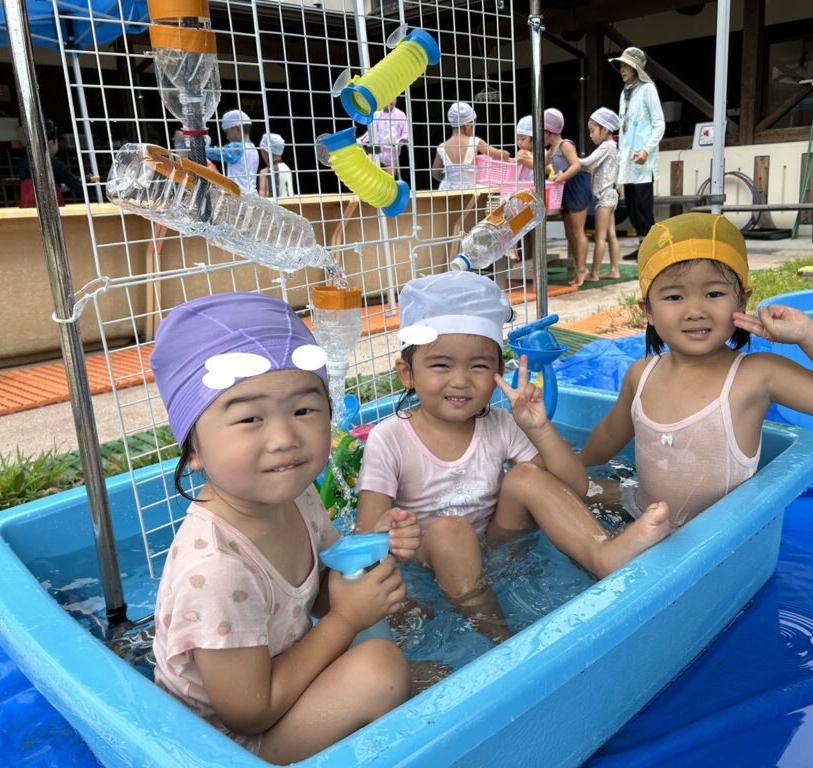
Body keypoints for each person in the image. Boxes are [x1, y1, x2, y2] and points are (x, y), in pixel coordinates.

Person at [148, 292, 418, 763]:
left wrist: (373, 549)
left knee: (392, 644)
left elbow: (326, 592)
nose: (284, 438)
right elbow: (249, 714)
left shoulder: (298, 496)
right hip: (226, 748)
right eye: (250, 418)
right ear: (193, 449)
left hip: (277, 687)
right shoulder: (216, 570)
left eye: (303, 410)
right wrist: (346, 620)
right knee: (379, 670)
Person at [355, 271, 671, 643]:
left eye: (478, 366)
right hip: (431, 560)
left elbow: (576, 485)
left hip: (498, 545)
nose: (461, 380)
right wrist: (390, 532)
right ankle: (498, 636)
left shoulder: (501, 423)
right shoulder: (389, 438)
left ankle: (601, 553)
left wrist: (539, 428)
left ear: (497, 373)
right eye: (441, 365)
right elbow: (365, 536)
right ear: (407, 373)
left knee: (525, 476)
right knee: (451, 531)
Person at [580, 213, 813, 528]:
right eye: (674, 296)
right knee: (562, 486)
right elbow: (608, 435)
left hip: (714, 542)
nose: (695, 311)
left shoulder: (757, 375)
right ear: (648, 311)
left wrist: (809, 334)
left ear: (743, 299)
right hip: (640, 515)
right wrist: (579, 466)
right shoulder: (641, 375)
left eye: (714, 294)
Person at [609, 46, 666, 260]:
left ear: (635, 68)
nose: (622, 70)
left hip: (642, 158)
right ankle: (644, 246)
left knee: (643, 205)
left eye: (626, 66)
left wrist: (646, 150)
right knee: (632, 205)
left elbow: (659, 123)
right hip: (627, 157)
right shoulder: (624, 93)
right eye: (621, 66)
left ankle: (653, 247)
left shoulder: (647, 89)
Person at [544, 107, 592, 287]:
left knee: (578, 232)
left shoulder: (565, 145)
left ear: (548, 131)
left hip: (576, 187)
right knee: (569, 233)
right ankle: (578, 267)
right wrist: (518, 159)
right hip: (563, 189)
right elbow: (538, 164)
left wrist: (560, 177)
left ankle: (582, 269)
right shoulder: (551, 149)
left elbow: (576, 165)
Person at [580, 108, 622, 281]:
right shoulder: (613, 146)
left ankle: (595, 273)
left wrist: (570, 158)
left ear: (605, 130)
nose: (591, 135)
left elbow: (588, 163)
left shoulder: (606, 146)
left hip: (604, 197)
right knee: (611, 234)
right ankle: (614, 270)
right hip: (611, 194)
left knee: (600, 236)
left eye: (592, 131)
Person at [431, 102, 510, 190]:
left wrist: (451, 179)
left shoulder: (442, 147)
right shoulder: (475, 142)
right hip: (468, 191)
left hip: (447, 190)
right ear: (468, 125)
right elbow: (501, 155)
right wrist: (506, 153)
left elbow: (435, 173)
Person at [18, 119, 86, 207]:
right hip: (50, 210)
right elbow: (77, 187)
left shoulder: (24, 162)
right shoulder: (53, 164)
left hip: (27, 209)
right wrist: (86, 180)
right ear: (51, 143)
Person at [206, 109, 259, 193]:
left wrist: (192, 144)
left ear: (237, 129)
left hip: (240, 196)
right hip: (252, 193)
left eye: (227, 132)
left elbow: (212, 152)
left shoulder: (237, 148)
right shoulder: (253, 149)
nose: (227, 137)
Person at [357, 96, 409, 179]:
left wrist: (400, 140)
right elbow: (371, 133)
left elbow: (406, 132)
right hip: (376, 149)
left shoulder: (401, 115)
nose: (390, 101)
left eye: (393, 98)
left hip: (391, 152)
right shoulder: (376, 114)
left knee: (390, 179)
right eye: (388, 98)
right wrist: (361, 140)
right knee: (371, 170)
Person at [258, 133, 295, 199]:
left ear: (265, 151)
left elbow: (262, 196)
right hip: (290, 204)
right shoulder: (287, 168)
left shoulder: (265, 172)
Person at [513, 115, 534, 183]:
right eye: (517, 139)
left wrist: (525, 160)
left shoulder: (541, 152)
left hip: (534, 186)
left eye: (523, 139)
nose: (519, 142)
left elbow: (546, 167)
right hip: (521, 186)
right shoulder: (520, 152)